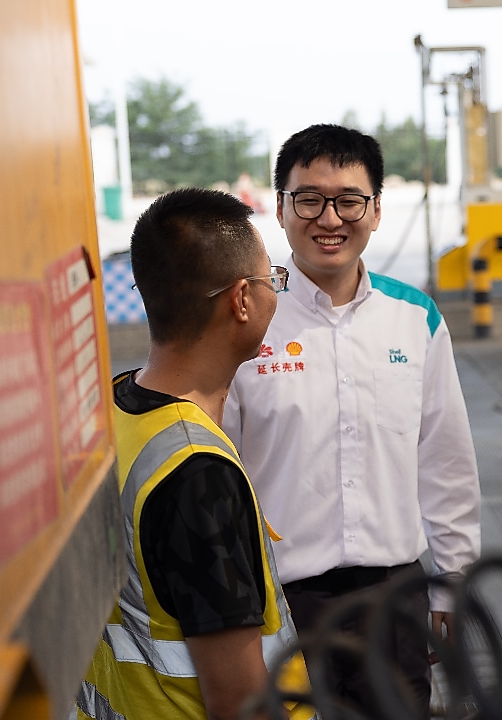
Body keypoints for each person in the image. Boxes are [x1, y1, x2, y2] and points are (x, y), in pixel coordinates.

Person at [223, 124, 481, 714]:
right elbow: (222, 471)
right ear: (281, 210)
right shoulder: (246, 319)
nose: (329, 218)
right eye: (309, 199)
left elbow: (445, 461)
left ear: (376, 210)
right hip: (281, 602)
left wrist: (452, 582)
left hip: (394, 599)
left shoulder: (414, 317)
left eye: (348, 200)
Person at [76, 188, 307, 720]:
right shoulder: (196, 473)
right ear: (242, 299)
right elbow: (238, 700)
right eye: (272, 278)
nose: (277, 291)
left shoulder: (108, 413)